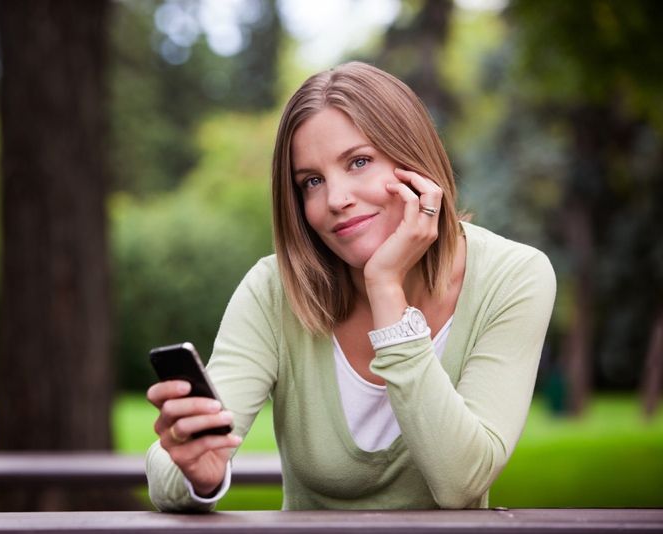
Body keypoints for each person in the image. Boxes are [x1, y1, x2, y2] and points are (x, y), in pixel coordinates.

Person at [145, 61, 556, 511]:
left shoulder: (514, 277)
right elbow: (171, 475)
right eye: (312, 182)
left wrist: (385, 287)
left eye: (359, 162)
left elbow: (461, 482)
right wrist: (196, 474)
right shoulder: (274, 290)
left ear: (413, 160)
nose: (336, 199)